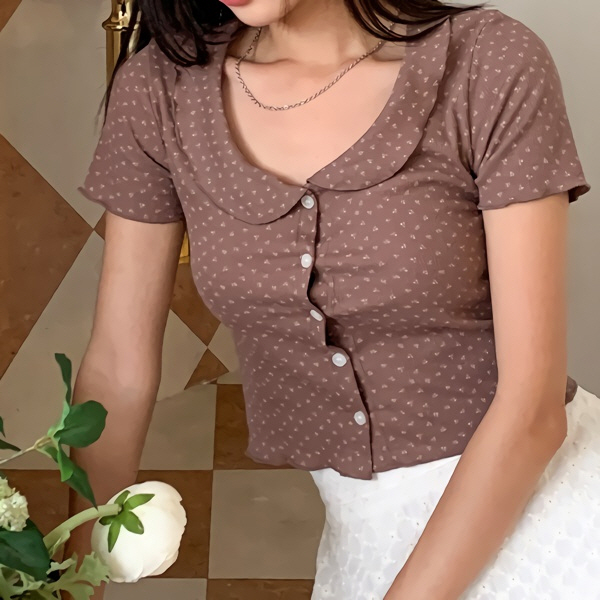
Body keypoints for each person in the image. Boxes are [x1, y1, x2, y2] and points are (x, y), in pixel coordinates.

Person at [66, 0, 600, 598]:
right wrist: (70, 583)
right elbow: (117, 370)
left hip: (555, 516)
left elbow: (532, 409)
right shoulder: (159, 90)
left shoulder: (489, 61)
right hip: (364, 540)